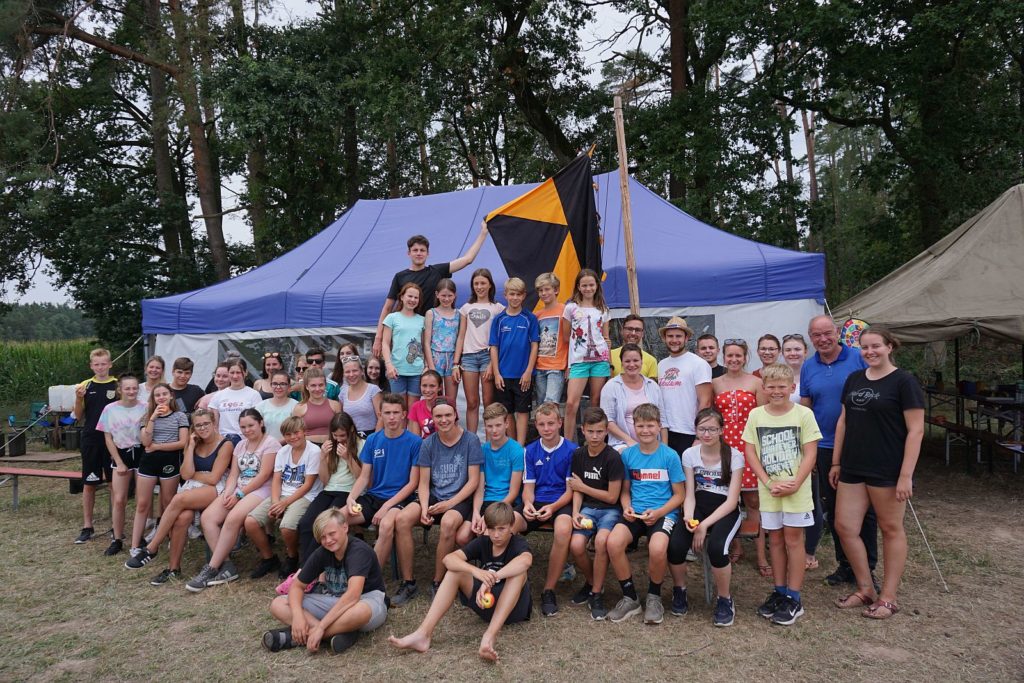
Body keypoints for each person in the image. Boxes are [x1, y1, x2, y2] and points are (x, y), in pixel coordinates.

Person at [830, 327, 924, 619]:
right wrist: (836, 462)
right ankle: (866, 588)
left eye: (875, 346)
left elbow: (916, 430)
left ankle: (889, 597)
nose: (870, 352)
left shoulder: (904, 381)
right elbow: (843, 421)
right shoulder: (854, 378)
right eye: (865, 347)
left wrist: (906, 475)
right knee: (845, 527)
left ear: (890, 347)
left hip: (887, 468)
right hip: (853, 465)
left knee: (890, 529)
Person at [389, 502, 532, 663]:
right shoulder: (484, 542)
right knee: (454, 572)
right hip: (486, 604)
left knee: (519, 573)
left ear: (512, 526)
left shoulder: (517, 542)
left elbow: (526, 561)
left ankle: (489, 637)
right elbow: (448, 559)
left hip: (514, 610)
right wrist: (477, 572)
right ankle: (423, 634)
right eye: (492, 529)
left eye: (501, 529)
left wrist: (492, 578)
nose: (496, 535)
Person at [742, 363, 822, 626]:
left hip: (796, 490)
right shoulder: (756, 415)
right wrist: (765, 481)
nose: (776, 391)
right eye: (771, 387)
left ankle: (794, 598)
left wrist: (797, 482)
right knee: (774, 540)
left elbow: (810, 452)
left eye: (781, 387)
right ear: (763, 388)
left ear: (792, 387)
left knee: (793, 541)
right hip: (770, 489)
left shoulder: (803, 415)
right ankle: (779, 591)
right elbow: (750, 451)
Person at [800, 314, 876, 588]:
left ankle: (867, 569)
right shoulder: (809, 367)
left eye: (827, 333)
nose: (823, 339)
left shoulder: (858, 358)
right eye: (816, 335)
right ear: (811, 338)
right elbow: (806, 408)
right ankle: (845, 565)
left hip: (858, 445)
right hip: (823, 446)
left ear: (837, 333)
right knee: (833, 510)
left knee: (864, 512)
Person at [125, 408, 233, 584]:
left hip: (218, 487)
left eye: (206, 424)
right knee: (182, 517)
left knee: (178, 499)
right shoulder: (194, 443)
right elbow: (184, 473)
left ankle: (152, 547)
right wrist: (190, 446)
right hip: (194, 486)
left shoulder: (225, 444)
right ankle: (173, 568)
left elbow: (214, 478)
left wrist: (193, 475)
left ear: (214, 424)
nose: (202, 428)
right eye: (198, 425)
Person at [263, 509, 388, 655]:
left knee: (360, 611)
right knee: (278, 603)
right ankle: (340, 633)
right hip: (334, 600)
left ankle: (302, 636)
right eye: (322, 537)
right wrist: (297, 617)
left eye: (332, 534)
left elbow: (353, 596)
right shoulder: (323, 552)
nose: (328, 540)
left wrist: (321, 627)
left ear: (345, 527)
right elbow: (297, 586)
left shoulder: (359, 551)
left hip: (367, 601)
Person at [605, 403, 686, 624]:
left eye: (650, 425)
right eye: (640, 426)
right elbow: (624, 491)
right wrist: (626, 507)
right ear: (634, 427)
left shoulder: (670, 456)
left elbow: (679, 495)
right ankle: (630, 597)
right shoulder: (628, 455)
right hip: (636, 512)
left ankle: (654, 597)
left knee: (657, 548)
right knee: (613, 543)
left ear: (659, 426)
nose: (645, 430)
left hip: (662, 513)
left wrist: (659, 511)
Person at [187, 408, 280, 592]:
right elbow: (233, 474)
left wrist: (240, 495)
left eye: (251, 425)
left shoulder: (271, 444)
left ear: (261, 423)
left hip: (262, 489)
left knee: (232, 519)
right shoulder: (240, 445)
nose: (247, 430)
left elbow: (263, 476)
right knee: (208, 518)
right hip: (239, 488)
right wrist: (229, 493)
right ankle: (227, 566)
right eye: (243, 427)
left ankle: (211, 568)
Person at [666, 408, 744, 626]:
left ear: (721, 430)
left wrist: (704, 525)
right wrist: (690, 519)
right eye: (702, 429)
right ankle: (680, 590)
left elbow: (731, 501)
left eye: (712, 429)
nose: (707, 434)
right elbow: (689, 493)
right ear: (696, 430)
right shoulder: (689, 454)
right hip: (698, 505)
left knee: (718, 548)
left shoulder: (735, 455)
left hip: (725, 509)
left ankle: (724, 599)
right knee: (675, 545)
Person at [344, 393, 422, 603]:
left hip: (400, 499)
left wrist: (387, 506)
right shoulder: (373, 440)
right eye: (387, 413)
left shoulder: (415, 442)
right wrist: (351, 498)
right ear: (380, 414)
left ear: (404, 415)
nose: (392, 417)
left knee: (387, 524)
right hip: (374, 497)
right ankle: (336, 575)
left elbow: (413, 483)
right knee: (334, 520)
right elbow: (364, 476)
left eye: (396, 413)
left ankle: (370, 582)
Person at [400, 398, 482, 595]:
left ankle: (438, 581)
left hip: (460, 498)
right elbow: (424, 482)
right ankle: (408, 581)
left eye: (447, 415)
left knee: (447, 523)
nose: (443, 420)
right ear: (433, 418)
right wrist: (425, 507)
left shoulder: (471, 440)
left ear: (455, 415)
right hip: (435, 496)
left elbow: (473, 481)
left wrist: (450, 504)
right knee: (402, 519)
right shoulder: (428, 443)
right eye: (438, 416)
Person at [373, 225, 489, 356]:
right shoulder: (400, 277)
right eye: (415, 250)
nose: (419, 253)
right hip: (408, 332)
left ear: (428, 253)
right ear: (408, 253)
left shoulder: (436, 271)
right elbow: (387, 308)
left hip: (433, 335)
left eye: (422, 250)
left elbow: (467, 260)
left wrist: (483, 233)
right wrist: (378, 337)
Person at [712, 339, 768, 573]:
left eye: (738, 356)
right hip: (725, 447)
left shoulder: (756, 382)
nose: (734, 360)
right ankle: (735, 546)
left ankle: (762, 555)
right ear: (723, 357)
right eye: (729, 355)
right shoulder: (715, 383)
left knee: (754, 501)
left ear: (746, 357)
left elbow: (764, 417)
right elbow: (712, 417)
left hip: (749, 444)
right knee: (728, 498)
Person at [245, 416, 323, 581]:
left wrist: (284, 503)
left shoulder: (314, 451)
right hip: (282, 494)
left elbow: (308, 484)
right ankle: (269, 558)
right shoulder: (283, 451)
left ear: (304, 432)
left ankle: (292, 557)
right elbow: (276, 479)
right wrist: (275, 502)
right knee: (250, 522)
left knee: (287, 526)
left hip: (305, 495)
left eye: (296, 433)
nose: (293, 437)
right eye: (288, 434)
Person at [567, 407, 624, 620]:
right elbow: (575, 488)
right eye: (590, 431)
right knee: (576, 545)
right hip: (587, 509)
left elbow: (612, 497)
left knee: (601, 542)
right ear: (583, 430)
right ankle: (591, 582)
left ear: (606, 431)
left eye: (600, 431)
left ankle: (597, 593)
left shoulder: (612, 458)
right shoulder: (579, 455)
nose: (595, 436)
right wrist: (575, 512)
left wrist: (583, 488)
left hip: (610, 510)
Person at [521, 402, 577, 617]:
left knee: (563, 530)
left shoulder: (572, 450)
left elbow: (571, 490)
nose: (547, 428)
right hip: (536, 501)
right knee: (507, 524)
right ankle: (509, 584)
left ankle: (548, 590)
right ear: (536, 425)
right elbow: (528, 487)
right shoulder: (530, 450)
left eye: (551, 423)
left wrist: (552, 508)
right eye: (542, 424)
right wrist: (527, 505)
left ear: (560, 423)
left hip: (561, 502)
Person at [130, 383, 189, 556]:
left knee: (168, 502)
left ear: (171, 395)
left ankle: (171, 537)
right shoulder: (147, 416)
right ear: (153, 399)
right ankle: (135, 545)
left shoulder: (180, 416)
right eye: (157, 395)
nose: (161, 397)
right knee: (142, 504)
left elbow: (182, 442)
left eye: (164, 394)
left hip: (169, 461)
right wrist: (153, 418)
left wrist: (157, 447)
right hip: (148, 461)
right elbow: (145, 442)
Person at [298, 412, 363, 564]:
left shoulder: (362, 444)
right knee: (306, 523)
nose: (339, 439)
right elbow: (325, 480)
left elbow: (362, 477)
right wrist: (322, 458)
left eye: (342, 435)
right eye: (335, 435)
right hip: (329, 490)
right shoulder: (330, 445)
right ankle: (305, 566)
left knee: (324, 525)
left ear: (351, 430)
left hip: (349, 492)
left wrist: (348, 458)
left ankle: (306, 568)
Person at [459, 403, 526, 546]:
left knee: (487, 535)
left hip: (506, 502)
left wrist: (489, 516)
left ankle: (491, 565)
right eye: (490, 426)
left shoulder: (516, 450)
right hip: (485, 501)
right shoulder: (482, 450)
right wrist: (477, 512)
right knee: (462, 537)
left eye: (498, 425)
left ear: (507, 424)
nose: (494, 430)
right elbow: (479, 487)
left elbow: (513, 492)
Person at [96, 374, 146, 555]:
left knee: (142, 500)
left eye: (134, 388)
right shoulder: (110, 409)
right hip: (121, 454)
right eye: (127, 388)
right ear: (120, 390)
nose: (131, 391)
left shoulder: (146, 408)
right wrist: (118, 461)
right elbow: (107, 438)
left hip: (141, 453)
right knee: (119, 499)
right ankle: (117, 538)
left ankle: (138, 537)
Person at [73, 347, 119, 544]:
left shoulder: (117, 385)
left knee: (113, 484)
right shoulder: (85, 385)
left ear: (110, 364)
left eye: (104, 364)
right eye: (96, 364)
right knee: (89, 483)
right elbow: (78, 415)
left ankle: (116, 526)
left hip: (113, 441)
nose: (100, 367)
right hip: (91, 439)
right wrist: (78, 397)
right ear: (91, 366)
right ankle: (87, 526)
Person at [454, 268, 505, 434]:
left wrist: (492, 362)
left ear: (490, 284)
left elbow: (499, 339)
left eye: (483, 283)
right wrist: (456, 362)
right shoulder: (466, 308)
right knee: (472, 402)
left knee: (489, 403)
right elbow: (461, 336)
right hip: (468, 358)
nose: (479, 286)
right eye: (476, 283)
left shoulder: (498, 308)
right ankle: (472, 440)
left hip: (487, 357)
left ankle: (491, 442)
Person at [489, 277, 540, 443]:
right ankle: (512, 445)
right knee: (507, 411)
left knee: (523, 411)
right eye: (512, 294)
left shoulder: (529, 318)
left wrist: (528, 372)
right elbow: (494, 347)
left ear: (524, 295)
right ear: (505, 295)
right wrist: (497, 373)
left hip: (523, 375)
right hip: (503, 374)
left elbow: (534, 346)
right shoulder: (499, 319)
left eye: (519, 294)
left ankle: (520, 445)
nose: (515, 298)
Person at [782, 333, 818, 568]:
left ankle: (809, 551)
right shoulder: (781, 376)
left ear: (805, 351)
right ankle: (790, 547)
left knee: (812, 499)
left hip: (807, 441)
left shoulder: (811, 375)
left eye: (797, 349)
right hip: (784, 444)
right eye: (788, 350)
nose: (793, 353)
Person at [562, 268, 611, 441]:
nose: (588, 288)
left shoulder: (603, 309)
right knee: (570, 404)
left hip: (600, 360)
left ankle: (593, 440)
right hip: (579, 361)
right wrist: (569, 364)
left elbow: (606, 338)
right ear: (578, 287)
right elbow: (567, 337)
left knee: (595, 402)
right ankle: (567, 443)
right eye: (584, 285)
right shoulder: (570, 308)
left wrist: (609, 363)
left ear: (597, 286)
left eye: (591, 285)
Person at [657, 317, 713, 454]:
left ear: (686, 338)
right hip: (664, 431)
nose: (674, 340)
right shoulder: (661, 364)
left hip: (688, 432)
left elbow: (705, 402)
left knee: (687, 474)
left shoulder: (699, 364)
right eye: (670, 336)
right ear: (664, 338)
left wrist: (699, 435)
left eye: (678, 336)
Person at [601, 343, 668, 451]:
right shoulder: (611, 387)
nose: (632, 365)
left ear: (642, 361)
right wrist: (630, 442)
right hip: (623, 444)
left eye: (636, 360)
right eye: (627, 361)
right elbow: (608, 421)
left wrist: (664, 447)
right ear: (622, 363)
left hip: (653, 444)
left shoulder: (652, 386)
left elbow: (663, 420)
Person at [382, 283, 426, 408]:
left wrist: (427, 366)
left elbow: (424, 345)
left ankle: (411, 429)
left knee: (413, 411)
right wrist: (389, 365)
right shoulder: (392, 318)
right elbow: (385, 343)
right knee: (399, 409)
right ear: (402, 297)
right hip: (396, 371)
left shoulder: (422, 320)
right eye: (409, 296)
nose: (412, 300)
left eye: (416, 297)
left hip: (417, 371)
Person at [533, 272, 569, 404]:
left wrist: (569, 366)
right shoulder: (537, 315)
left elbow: (570, 340)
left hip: (557, 365)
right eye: (540, 290)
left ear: (556, 290)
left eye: (547, 289)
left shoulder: (566, 310)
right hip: (540, 366)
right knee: (541, 405)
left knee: (550, 403)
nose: (544, 293)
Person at [208, 359, 262, 444]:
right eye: (232, 373)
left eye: (238, 372)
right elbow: (215, 424)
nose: (235, 376)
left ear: (245, 373)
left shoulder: (254, 395)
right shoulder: (218, 396)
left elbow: (257, 422)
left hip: (246, 441)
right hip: (223, 441)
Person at [424, 278, 460, 399]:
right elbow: (426, 342)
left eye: (450, 295)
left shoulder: (459, 314)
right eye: (443, 295)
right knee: (435, 397)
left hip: (451, 358)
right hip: (435, 357)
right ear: (437, 294)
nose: (446, 299)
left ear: (455, 295)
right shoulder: (431, 313)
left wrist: (456, 363)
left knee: (450, 399)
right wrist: (431, 366)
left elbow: (460, 339)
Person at [291, 367, 341, 445]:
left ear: (325, 385)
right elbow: (294, 434)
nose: (317, 389)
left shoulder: (335, 405)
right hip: (308, 449)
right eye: (313, 386)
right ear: (307, 386)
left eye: (321, 385)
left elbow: (341, 430)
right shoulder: (299, 408)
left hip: (332, 447)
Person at [337, 355, 382, 437]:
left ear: (362, 371)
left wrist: (374, 439)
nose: (351, 374)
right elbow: (340, 420)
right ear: (343, 374)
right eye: (347, 372)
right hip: (350, 438)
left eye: (355, 371)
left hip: (371, 436)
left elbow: (381, 418)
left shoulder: (373, 390)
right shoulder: (342, 392)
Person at [610, 314, 658, 379]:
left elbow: (651, 388)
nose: (633, 333)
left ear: (642, 333)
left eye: (637, 330)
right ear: (622, 331)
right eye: (629, 329)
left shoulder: (651, 361)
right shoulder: (609, 355)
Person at [408, 370, 453, 438]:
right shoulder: (416, 407)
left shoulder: (448, 405)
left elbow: (453, 432)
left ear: (439, 388)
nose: (428, 390)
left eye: (432, 386)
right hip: (426, 446)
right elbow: (415, 439)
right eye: (424, 386)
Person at [256, 370, 298, 443]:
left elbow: (297, 431)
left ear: (289, 386)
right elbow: (256, 430)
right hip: (265, 448)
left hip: (289, 447)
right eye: (275, 384)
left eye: (283, 384)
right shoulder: (261, 406)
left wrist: (277, 444)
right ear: (271, 385)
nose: (278, 387)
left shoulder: (296, 406)